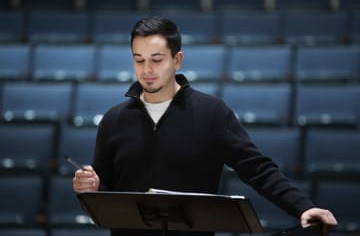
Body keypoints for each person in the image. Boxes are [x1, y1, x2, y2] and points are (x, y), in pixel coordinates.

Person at [73, 16, 337, 236]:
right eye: (138, 60)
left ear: (177, 60)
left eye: (156, 59)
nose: (147, 70)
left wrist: (302, 207)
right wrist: (91, 190)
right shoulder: (113, 120)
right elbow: (104, 197)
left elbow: (258, 170)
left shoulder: (212, 113)